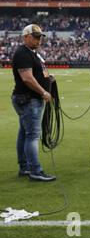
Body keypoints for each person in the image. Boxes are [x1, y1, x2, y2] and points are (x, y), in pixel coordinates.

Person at [11, 24, 56, 181]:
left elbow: (35, 74)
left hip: (29, 99)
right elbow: (27, 78)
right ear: (25, 37)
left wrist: (48, 79)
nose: (39, 40)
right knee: (32, 135)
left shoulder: (31, 53)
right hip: (29, 99)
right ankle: (35, 171)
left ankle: (24, 167)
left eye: (40, 37)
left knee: (24, 133)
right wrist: (43, 91)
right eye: (35, 37)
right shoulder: (23, 53)